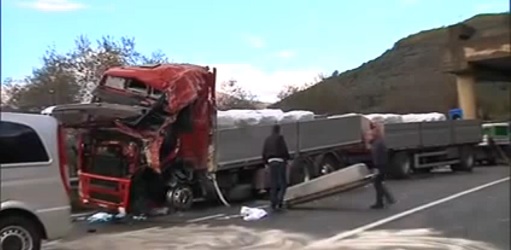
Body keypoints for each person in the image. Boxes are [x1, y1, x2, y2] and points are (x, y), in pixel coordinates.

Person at [262, 124, 291, 212]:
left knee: (273, 183)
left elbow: (264, 151)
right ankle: (279, 201)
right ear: (279, 130)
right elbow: (284, 150)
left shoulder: (267, 139)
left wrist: (265, 162)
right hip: (280, 161)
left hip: (271, 162)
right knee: (283, 183)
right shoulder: (280, 138)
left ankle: (273, 202)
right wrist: (287, 158)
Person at [368, 123, 396, 209]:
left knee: (377, 183)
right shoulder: (378, 142)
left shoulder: (379, 143)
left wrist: (377, 167)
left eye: (373, 132)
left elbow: (379, 156)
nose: (371, 133)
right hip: (381, 165)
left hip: (380, 166)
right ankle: (388, 199)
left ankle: (380, 202)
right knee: (378, 183)